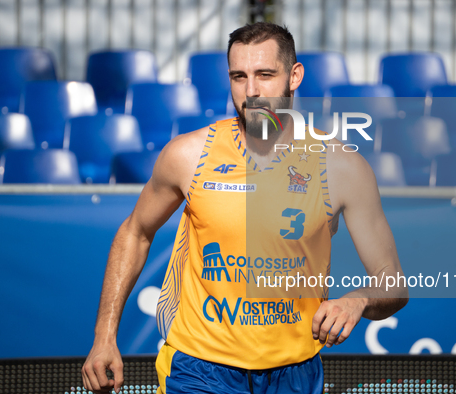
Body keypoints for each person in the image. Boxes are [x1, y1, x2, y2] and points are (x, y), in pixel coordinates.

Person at [82, 22, 408, 394]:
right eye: (239, 77)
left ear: (294, 76)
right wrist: (105, 336)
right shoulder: (188, 155)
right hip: (198, 370)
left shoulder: (341, 166)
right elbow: (135, 232)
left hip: (295, 373)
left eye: (265, 75)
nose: (251, 92)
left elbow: (393, 282)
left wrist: (358, 300)